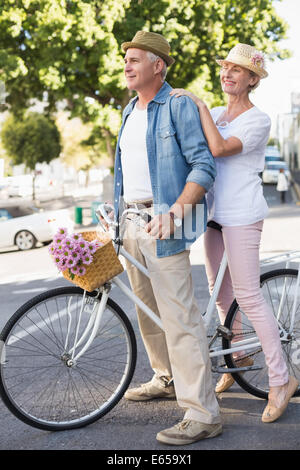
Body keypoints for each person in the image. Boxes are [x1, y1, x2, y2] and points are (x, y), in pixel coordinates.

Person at [170, 43, 298, 423]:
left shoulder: (257, 120)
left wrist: (200, 107)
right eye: (225, 67)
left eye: (236, 70)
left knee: (248, 295)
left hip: (242, 214)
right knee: (220, 294)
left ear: (252, 79)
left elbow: (221, 148)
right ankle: (238, 359)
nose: (227, 73)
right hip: (214, 214)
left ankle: (281, 379)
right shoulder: (221, 112)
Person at [112, 30, 222, 445]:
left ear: (158, 65)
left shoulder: (176, 106)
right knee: (148, 310)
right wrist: (116, 215)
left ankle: (203, 413)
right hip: (131, 222)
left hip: (165, 223)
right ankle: (167, 376)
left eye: (135, 59)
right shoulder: (128, 111)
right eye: (126, 59)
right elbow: (127, 173)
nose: (127, 65)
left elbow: (202, 166)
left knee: (180, 319)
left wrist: (175, 212)